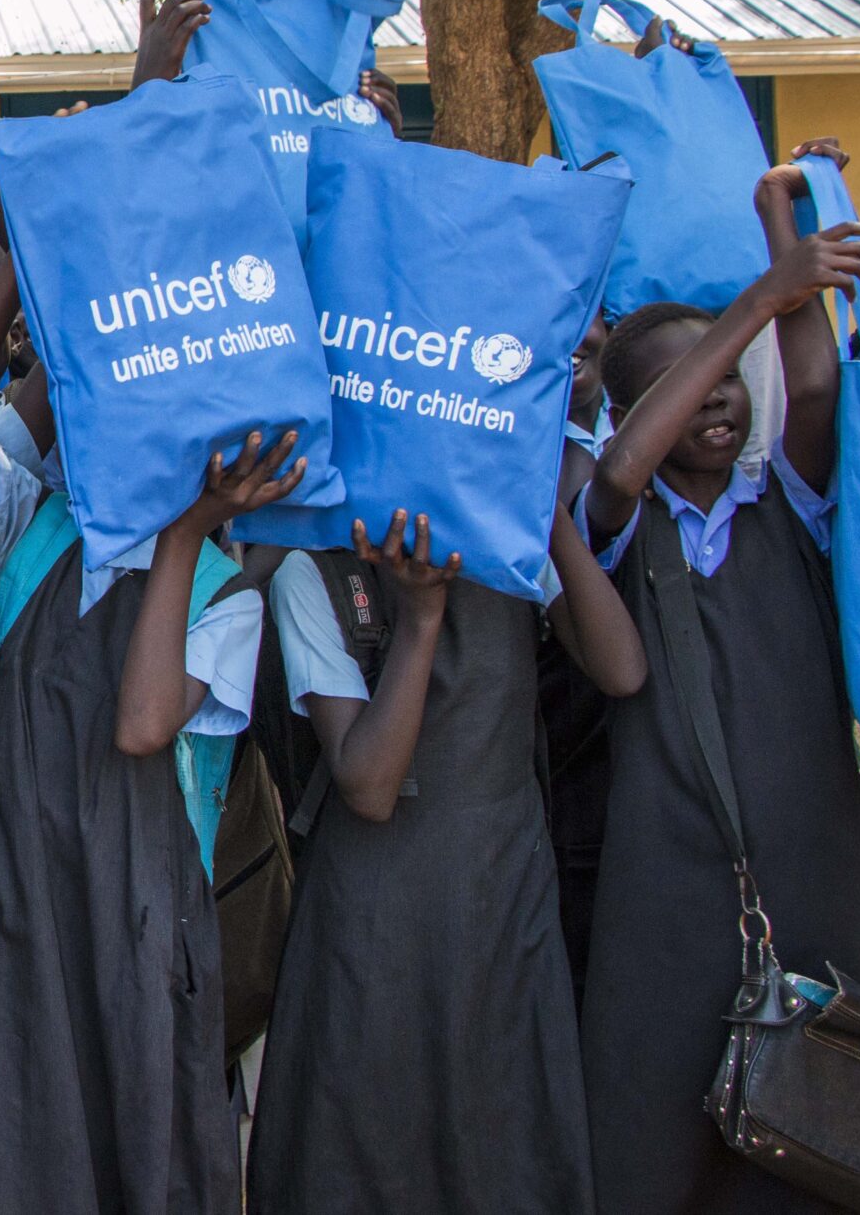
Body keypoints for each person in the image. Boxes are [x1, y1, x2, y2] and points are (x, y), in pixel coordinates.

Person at [0, 134, 277, 1215]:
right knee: (24, 1129)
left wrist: (182, 535)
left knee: (137, 1135)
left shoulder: (220, 588)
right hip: (25, 891)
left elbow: (140, 725)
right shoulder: (35, 526)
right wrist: (26, 247)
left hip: (135, 916)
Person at [577, 146, 860, 1215]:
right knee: (660, 1126)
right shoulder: (616, 527)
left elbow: (809, 380)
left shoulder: (789, 506)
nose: (718, 404)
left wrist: (779, 221)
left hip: (817, 874)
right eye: (686, 391)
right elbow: (624, 467)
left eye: (726, 387)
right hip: (666, 887)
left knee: (822, 1134)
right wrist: (760, 298)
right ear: (635, 411)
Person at [245, 500, 642, 1215]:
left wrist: (542, 506)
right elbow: (368, 785)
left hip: (500, 904)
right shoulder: (316, 573)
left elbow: (621, 667)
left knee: (502, 1152)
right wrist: (421, 621)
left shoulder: (508, 543)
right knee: (365, 1153)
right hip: (375, 926)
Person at [540, 310, 616, 1005]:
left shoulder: (645, 432)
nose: (579, 337)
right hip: (565, 775)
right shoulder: (515, 458)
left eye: (594, 311)